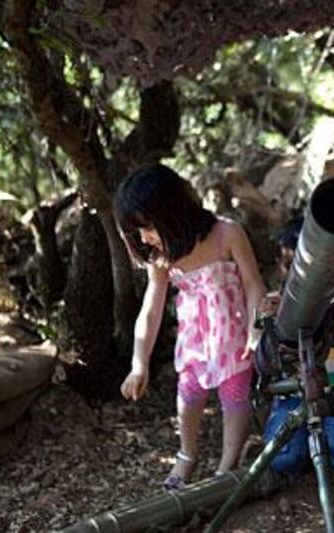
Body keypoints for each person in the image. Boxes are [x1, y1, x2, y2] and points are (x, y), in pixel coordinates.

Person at [115, 163, 266, 490]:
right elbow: (151, 309)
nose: (145, 238)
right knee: (188, 393)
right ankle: (187, 454)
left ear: (173, 212)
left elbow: (254, 283)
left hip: (234, 335)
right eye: (138, 231)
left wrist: (256, 328)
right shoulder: (162, 256)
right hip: (195, 339)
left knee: (235, 396)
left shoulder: (227, 233)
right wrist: (138, 364)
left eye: (149, 227)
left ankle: (228, 464)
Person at [259, 217, 334, 476]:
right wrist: (268, 322)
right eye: (289, 265)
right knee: (282, 459)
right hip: (291, 398)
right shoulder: (274, 303)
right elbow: (262, 358)